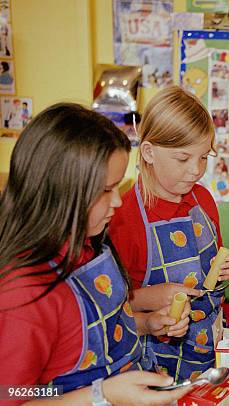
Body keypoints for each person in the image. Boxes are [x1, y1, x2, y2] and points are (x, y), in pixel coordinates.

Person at [0, 103, 193, 405]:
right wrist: (100, 396)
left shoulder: (90, 245)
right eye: (106, 190)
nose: (117, 201)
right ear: (61, 189)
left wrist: (147, 323)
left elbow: (102, 331)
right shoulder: (25, 295)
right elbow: (13, 395)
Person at [109, 85, 229, 382]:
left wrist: (223, 270)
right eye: (183, 159)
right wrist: (149, 297)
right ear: (149, 152)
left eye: (204, 157)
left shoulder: (202, 199)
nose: (196, 170)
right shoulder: (122, 217)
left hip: (209, 347)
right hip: (154, 361)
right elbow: (110, 309)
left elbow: (208, 276)